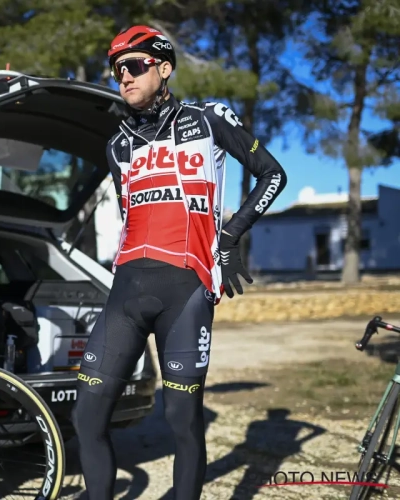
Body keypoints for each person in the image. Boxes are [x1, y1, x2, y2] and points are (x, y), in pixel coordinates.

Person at [71, 26, 287, 500]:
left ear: (164, 68)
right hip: (126, 291)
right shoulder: (118, 144)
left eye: (134, 65)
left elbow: (273, 174)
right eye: (117, 69)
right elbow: (130, 217)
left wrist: (229, 237)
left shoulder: (207, 118)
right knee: (86, 415)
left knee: (182, 421)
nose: (123, 76)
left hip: (185, 292)